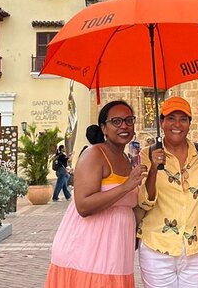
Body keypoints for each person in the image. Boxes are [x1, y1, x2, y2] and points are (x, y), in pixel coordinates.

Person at [45, 100, 147, 287]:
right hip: (87, 252)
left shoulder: (127, 158)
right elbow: (83, 205)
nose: (124, 126)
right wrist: (127, 186)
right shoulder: (94, 154)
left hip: (117, 255)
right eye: (116, 121)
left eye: (129, 120)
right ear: (104, 128)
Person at [138, 96, 198, 288]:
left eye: (183, 119)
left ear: (189, 124)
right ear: (161, 122)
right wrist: (153, 168)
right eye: (170, 118)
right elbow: (145, 202)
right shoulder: (146, 154)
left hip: (195, 248)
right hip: (157, 248)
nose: (177, 124)